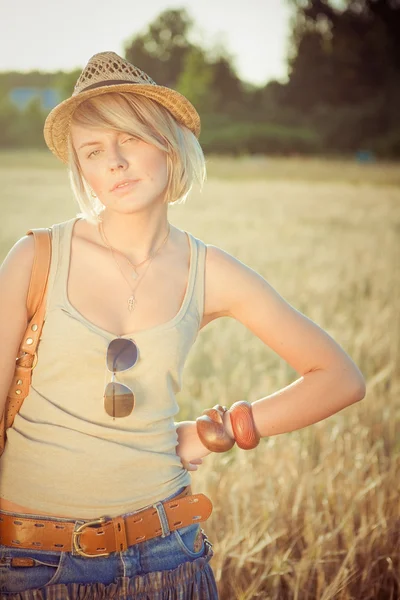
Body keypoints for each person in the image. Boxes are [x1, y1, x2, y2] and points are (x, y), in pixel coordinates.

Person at [0, 51, 366, 599]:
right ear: (84, 172)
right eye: (94, 152)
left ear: (169, 143)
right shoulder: (35, 258)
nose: (116, 161)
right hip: (35, 566)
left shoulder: (209, 270)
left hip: (169, 558)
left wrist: (218, 430)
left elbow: (340, 376)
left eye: (131, 137)